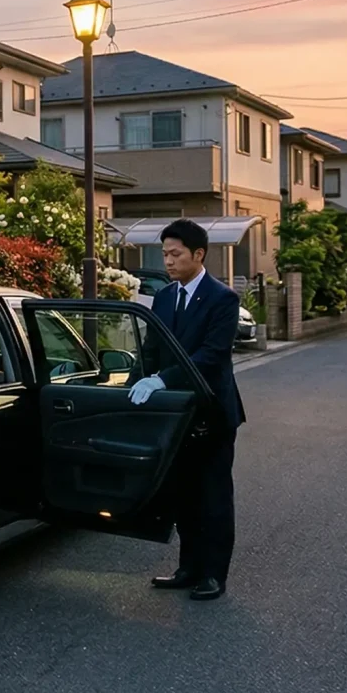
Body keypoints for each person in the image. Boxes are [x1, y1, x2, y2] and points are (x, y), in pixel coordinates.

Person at [127, 218, 246, 601]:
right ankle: (188, 567)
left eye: (175, 254)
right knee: (183, 495)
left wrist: (162, 380)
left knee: (212, 495)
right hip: (174, 414)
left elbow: (211, 356)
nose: (168, 261)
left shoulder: (222, 298)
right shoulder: (163, 297)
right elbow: (150, 350)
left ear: (199, 254)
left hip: (210, 412)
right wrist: (131, 382)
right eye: (164, 254)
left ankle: (213, 574)